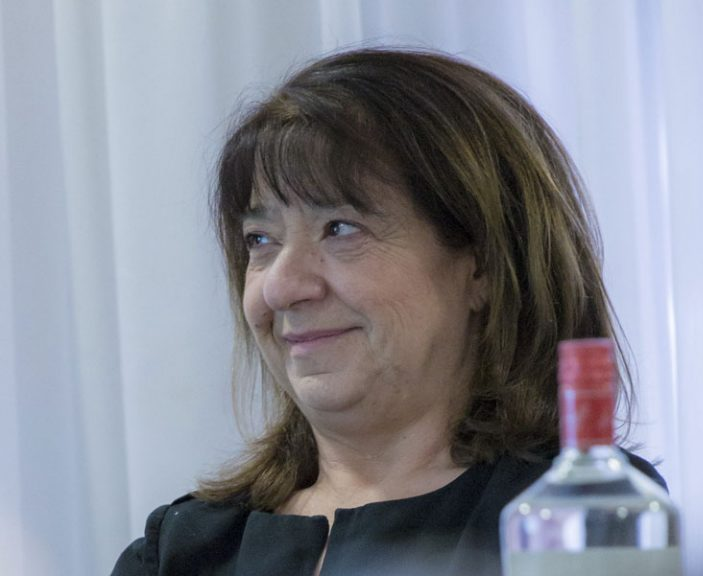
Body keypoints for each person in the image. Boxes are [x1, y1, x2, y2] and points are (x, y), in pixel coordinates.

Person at [111, 47, 665, 576]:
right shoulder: (179, 552)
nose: (280, 288)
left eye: (340, 228)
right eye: (260, 239)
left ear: (484, 266)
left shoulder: (582, 518)